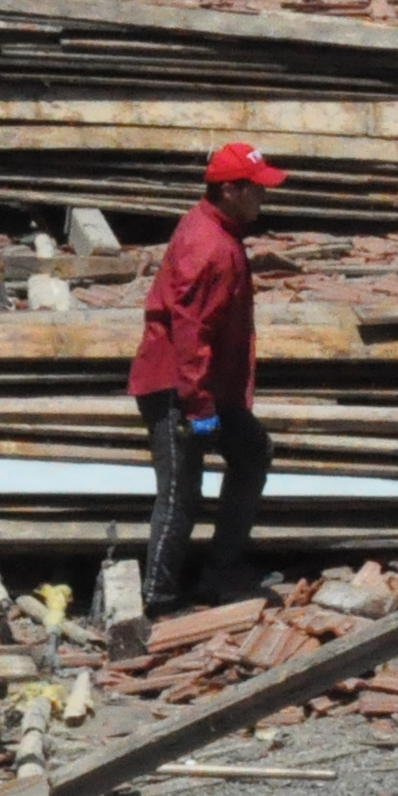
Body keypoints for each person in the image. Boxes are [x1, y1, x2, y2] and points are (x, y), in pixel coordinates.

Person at [128, 141, 284, 614]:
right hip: (178, 387)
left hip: (211, 387)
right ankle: (158, 597)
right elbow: (189, 331)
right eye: (257, 190)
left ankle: (221, 570)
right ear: (231, 190)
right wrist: (197, 408)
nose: (264, 199)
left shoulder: (220, 231)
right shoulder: (207, 245)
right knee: (180, 493)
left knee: (253, 453)